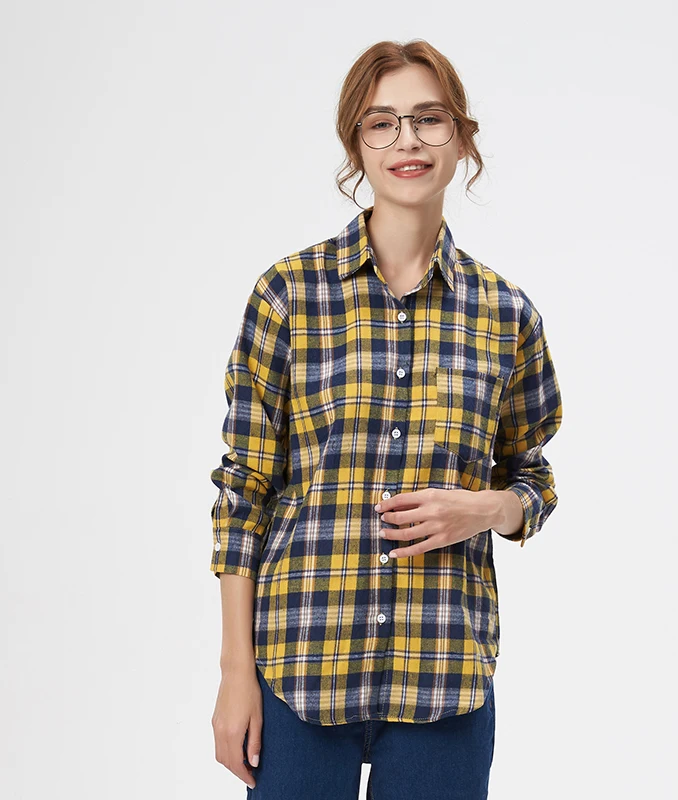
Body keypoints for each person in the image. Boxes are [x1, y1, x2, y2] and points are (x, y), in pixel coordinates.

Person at [209, 39, 563, 799]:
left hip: (444, 674)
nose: (408, 140)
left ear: (462, 139)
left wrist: (484, 508)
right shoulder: (289, 295)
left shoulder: (505, 314)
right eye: (382, 123)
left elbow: (532, 477)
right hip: (299, 667)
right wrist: (236, 674)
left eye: (430, 119)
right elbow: (243, 494)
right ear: (356, 146)